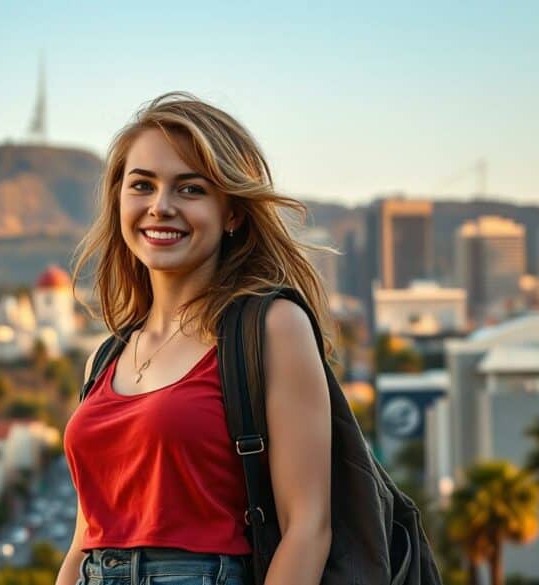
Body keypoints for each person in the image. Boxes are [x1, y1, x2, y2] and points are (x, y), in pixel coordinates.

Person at [57, 92, 333, 585]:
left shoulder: (271, 328)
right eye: (142, 185)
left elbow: (307, 527)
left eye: (190, 189)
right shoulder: (104, 357)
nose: (160, 207)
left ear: (233, 214)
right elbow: (86, 537)